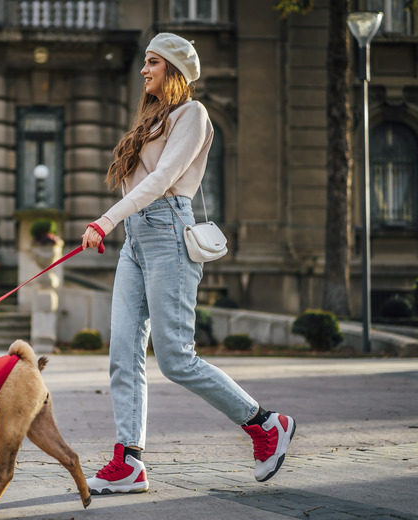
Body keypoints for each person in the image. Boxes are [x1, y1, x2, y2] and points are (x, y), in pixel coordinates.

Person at [81, 32, 296, 495]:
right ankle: (130, 460)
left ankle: (264, 424)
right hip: (136, 242)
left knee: (176, 358)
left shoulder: (193, 115)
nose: (144, 70)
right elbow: (138, 183)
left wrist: (105, 220)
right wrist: (119, 226)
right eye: (144, 62)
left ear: (174, 70)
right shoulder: (150, 119)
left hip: (167, 237)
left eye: (153, 63)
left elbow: (163, 180)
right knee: (122, 353)